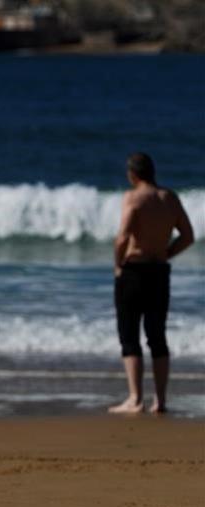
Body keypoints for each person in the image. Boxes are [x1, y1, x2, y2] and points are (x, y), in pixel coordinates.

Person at [108, 152, 194, 415]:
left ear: (133, 174)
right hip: (159, 272)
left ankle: (135, 400)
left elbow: (123, 237)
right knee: (157, 335)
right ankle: (161, 401)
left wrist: (118, 263)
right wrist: (166, 253)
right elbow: (188, 236)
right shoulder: (169, 198)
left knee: (129, 334)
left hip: (134, 270)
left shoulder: (133, 198)